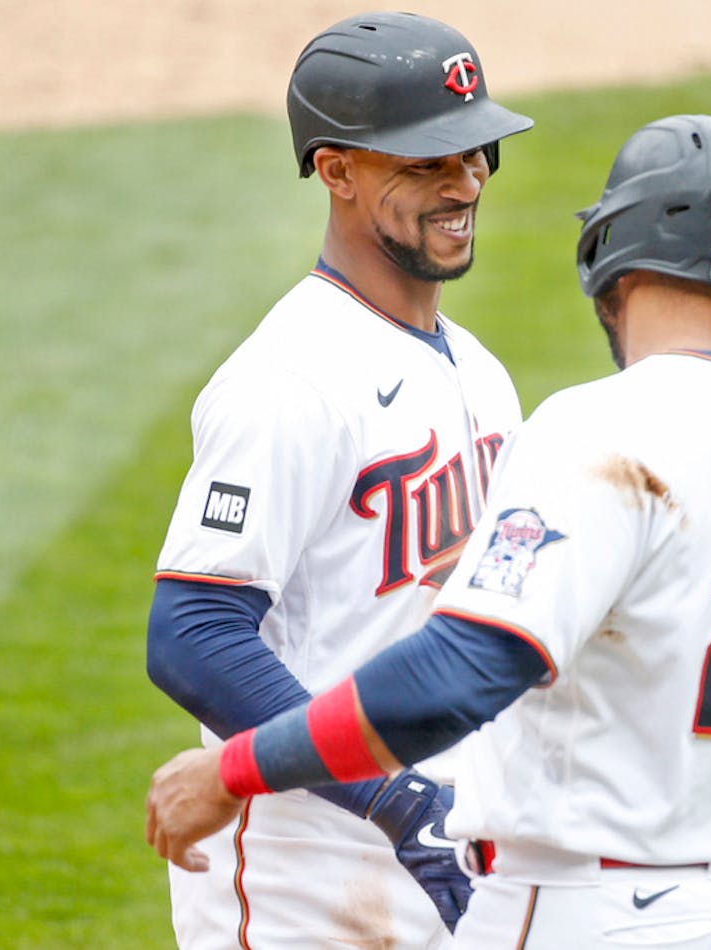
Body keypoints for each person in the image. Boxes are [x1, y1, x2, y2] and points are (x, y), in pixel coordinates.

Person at [146, 114, 711, 948]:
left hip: (578, 913)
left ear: (608, 257)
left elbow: (463, 670)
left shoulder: (599, 433)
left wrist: (235, 767)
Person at [143, 11, 532, 948]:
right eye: (426, 160)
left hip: (457, 857)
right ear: (337, 168)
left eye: (474, 151)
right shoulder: (289, 380)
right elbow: (191, 632)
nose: (465, 180)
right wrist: (395, 803)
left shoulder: (477, 369)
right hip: (308, 883)